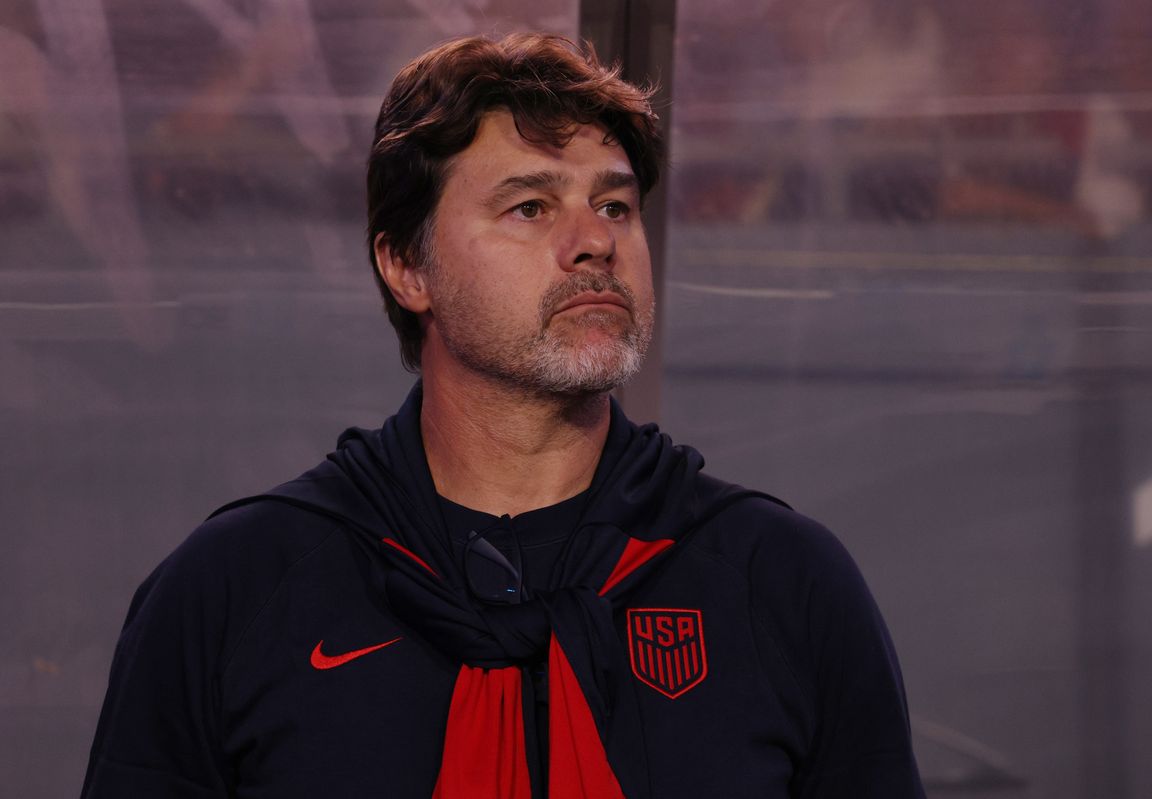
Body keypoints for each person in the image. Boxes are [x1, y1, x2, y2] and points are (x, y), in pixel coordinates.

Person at [82, 32, 925, 799]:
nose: (594, 241)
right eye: (530, 207)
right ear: (407, 267)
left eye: (615, 205)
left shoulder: (783, 581)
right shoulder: (234, 589)